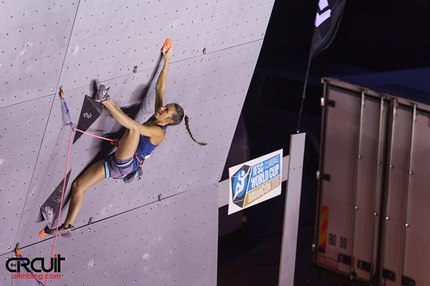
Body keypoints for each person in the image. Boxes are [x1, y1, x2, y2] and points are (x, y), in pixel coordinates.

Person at [44, 43, 205, 236]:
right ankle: (67, 226)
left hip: (126, 163)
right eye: (165, 106)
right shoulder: (159, 114)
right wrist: (167, 58)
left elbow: (135, 128)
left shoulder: (159, 132)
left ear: (169, 120)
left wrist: (108, 103)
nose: (161, 108)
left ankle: (105, 99)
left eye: (165, 110)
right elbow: (160, 87)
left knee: (135, 129)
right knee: (78, 186)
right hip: (116, 163)